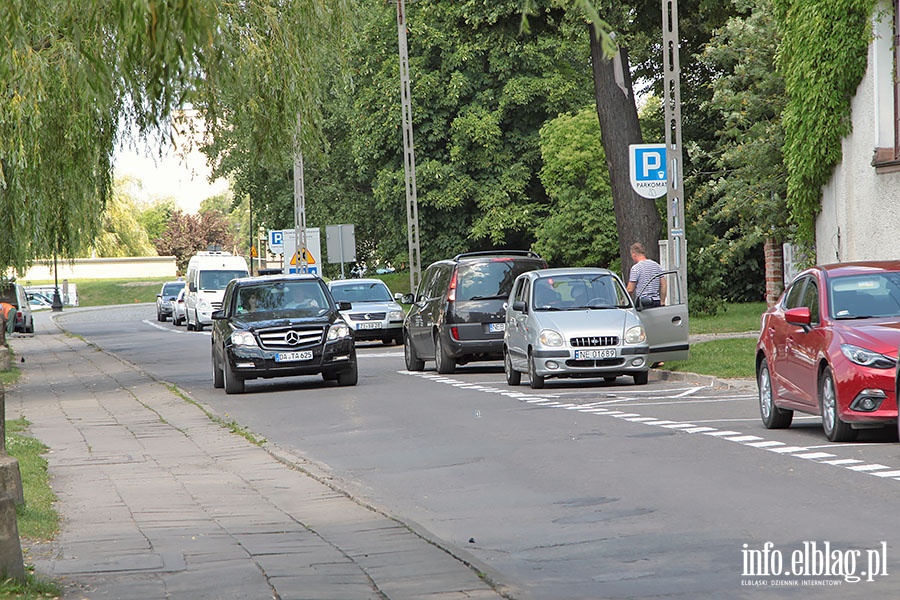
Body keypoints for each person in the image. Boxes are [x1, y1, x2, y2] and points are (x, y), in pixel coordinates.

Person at [626, 242, 666, 308]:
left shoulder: (636, 268)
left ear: (634, 255)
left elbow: (630, 289)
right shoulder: (656, 265)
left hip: (644, 302)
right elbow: (664, 284)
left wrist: (623, 300)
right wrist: (662, 301)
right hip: (657, 301)